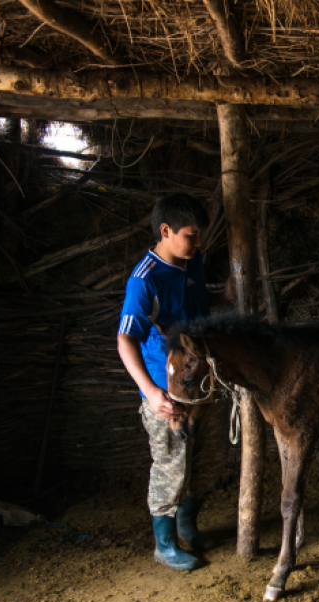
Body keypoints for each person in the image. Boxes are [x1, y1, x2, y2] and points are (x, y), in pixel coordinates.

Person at [117, 193, 231, 572]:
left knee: (210, 460)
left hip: (205, 382)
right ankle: (164, 545)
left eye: (199, 236)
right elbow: (125, 339)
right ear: (165, 231)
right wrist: (151, 394)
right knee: (170, 466)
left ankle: (188, 526)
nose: (198, 244)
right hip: (169, 393)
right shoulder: (144, 281)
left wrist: (223, 297)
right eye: (190, 235)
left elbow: (195, 304)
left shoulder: (190, 261)